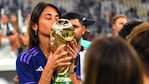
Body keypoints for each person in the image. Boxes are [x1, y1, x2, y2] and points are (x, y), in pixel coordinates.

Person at [16, 2, 79, 84]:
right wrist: (49, 67)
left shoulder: (71, 54)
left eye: (57, 19)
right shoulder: (26, 59)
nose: (54, 22)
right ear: (35, 26)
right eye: (48, 18)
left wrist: (71, 67)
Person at [62, 11, 95, 81]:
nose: (71, 30)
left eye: (74, 27)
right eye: (67, 27)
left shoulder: (91, 57)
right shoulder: (55, 56)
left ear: (83, 30)